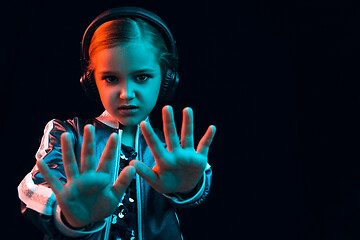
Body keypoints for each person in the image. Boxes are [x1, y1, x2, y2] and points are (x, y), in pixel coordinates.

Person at [17, 7, 216, 240]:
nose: (126, 94)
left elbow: (197, 184)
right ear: (91, 82)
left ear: (166, 79)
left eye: (142, 77)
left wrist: (190, 187)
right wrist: (68, 213)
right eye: (111, 78)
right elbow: (32, 189)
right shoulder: (67, 134)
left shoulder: (172, 148)